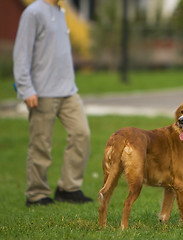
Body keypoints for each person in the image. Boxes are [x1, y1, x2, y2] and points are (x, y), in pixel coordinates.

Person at [13, 0, 93, 206]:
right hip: (41, 92)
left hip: (68, 91)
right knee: (41, 144)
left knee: (81, 134)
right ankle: (36, 194)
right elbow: (21, 53)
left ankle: (68, 187)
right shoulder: (33, 13)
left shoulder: (60, 11)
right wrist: (26, 88)